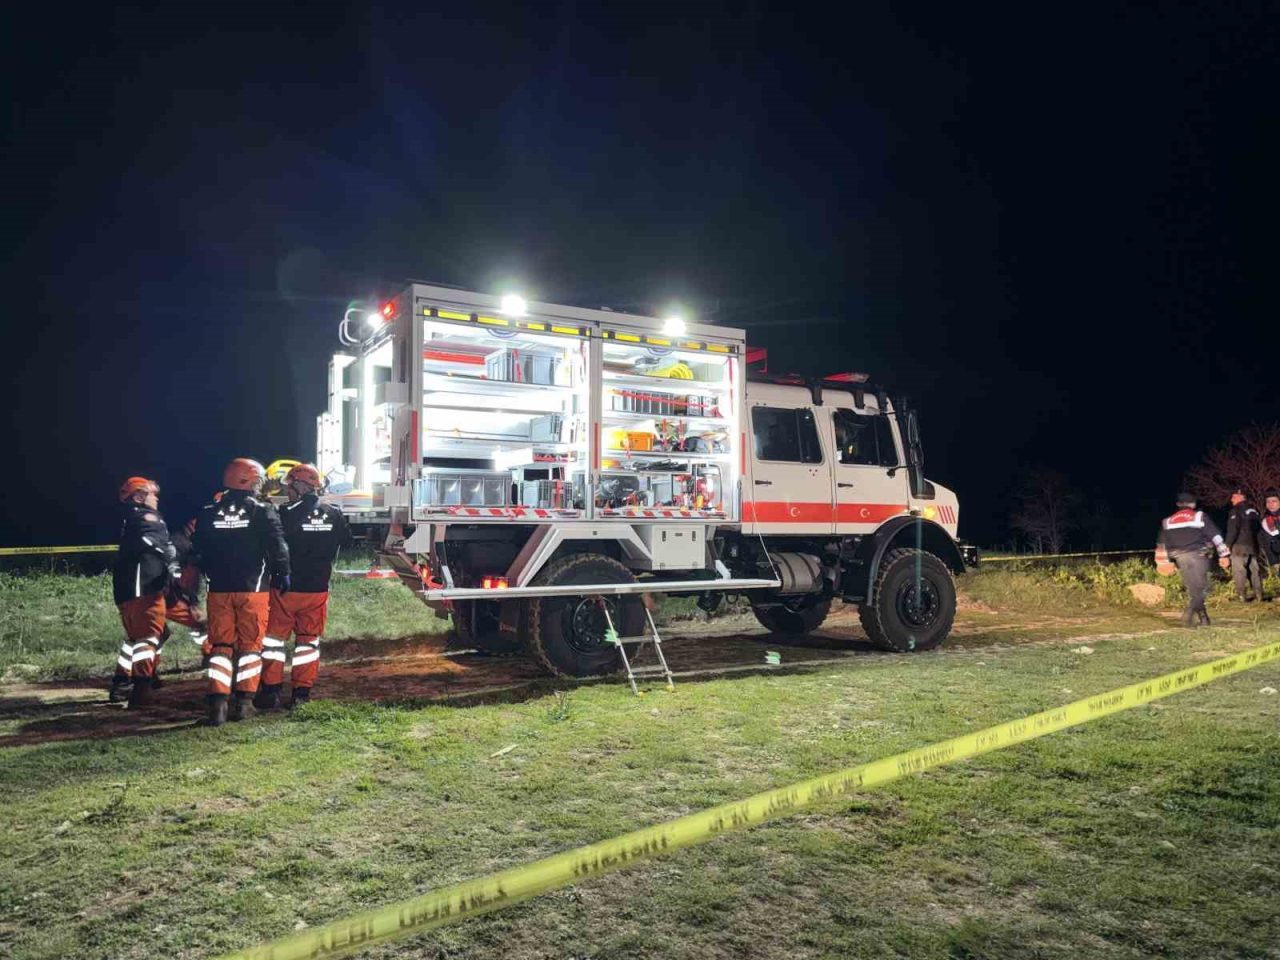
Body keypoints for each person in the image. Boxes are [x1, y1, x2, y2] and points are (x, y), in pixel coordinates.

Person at [191, 458, 291, 726]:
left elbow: (198, 551)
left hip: (218, 590)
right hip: (253, 590)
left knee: (221, 646)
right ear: (247, 481)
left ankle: (217, 706)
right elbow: (278, 547)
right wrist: (283, 574)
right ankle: (245, 703)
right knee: (250, 646)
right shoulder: (262, 510)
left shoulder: (208, 511)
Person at [255, 463, 349, 710]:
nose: (288, 491)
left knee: (274, 641)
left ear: (300, 485)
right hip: (317, 588)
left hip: (285, 589)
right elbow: (345, 541)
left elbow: (272, 545)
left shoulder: (284, 513)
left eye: (290, 486)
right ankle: (301, 694)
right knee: (308, 642)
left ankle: (271, 692)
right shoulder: (334, 513)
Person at [110, 477, 188, 707]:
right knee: (149, 637)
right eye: (152, 494)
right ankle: (141, 690)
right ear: (138, 497)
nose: (156, 498)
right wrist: (173, 564)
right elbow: (158, 545)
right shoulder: (147, 517)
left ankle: (122, 681)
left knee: (141, 637)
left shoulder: (129, 518)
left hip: (127, 590)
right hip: (145, 587)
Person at [1155, 491, 1231, 627]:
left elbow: (1161, 544)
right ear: (1193, 504)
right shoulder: (1199, 516)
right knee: (1203, 587)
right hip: (1198, 555)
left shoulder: (1167, 521)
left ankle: (1204, 618)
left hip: (1179, 557)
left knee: (1194, 588)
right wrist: (1224, 554)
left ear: (1178, 504)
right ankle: (1189, 613)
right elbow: (1216, 536)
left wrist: (1162, 563)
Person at [1225, 488, 1264, 601]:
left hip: (1239, 545)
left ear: (1241, 497)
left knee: (1239, 571)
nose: (1231, 499)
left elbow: (1233, 529)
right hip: (1253, 545)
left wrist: (1227, 544)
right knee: (1255, 570)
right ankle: (1259, 595)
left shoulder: (1235, 510)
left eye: (1234, 496)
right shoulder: (1254, 511)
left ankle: (1242, 596)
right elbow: (1258, 528)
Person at [1259, 490, 1280, 591]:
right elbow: (1266, 543)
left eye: (1274, 501)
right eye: (1268, 502)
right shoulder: (1265, 521)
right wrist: (1273, 562)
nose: (1271, 504)